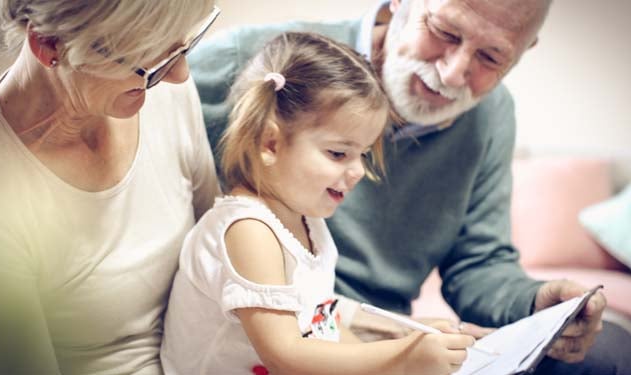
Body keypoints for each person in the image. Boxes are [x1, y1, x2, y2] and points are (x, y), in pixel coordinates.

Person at [186, 0, 631, 373]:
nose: (452, 73)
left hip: (352, 333)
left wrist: (535, 304)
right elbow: (286, 351)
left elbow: (477, 263)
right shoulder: (264, 69)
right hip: (306, 350)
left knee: (612, 353)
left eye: (491, 57)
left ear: (523, 54)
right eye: (445, 32)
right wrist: (403, 353)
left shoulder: (490, 117)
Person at [160, 31, 476, 375]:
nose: (357, 171)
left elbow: (319, 323)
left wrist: (396, 351)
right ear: (270, 143)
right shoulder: (249, 230)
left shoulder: (308, 226)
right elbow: (284, 355)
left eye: (363, 155)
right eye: (339, 153)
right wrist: (401, 358)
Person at [0, 0, 221, 373]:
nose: (180, 73)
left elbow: (221, 253)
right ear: (49, 45)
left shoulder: (162, 90)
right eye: (150, 60)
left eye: (182, 46)